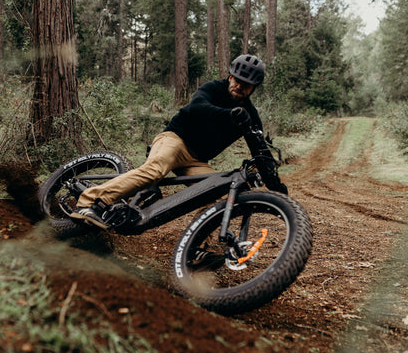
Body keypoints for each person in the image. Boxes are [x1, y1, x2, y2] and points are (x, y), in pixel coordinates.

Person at [71, 54, 287, 229]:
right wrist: (230, 114)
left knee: (215, 193)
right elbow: (196, 108)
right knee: (155, 170)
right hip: (174, 139)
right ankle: (89, 201)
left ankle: (195, 245)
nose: (240, 86)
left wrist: (277, 188)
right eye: (237, 80)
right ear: (230, 76)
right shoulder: (213, 88)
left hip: (196, 161)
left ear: (254, 88)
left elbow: (260, 151)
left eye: (246, 84)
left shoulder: (250, 114)